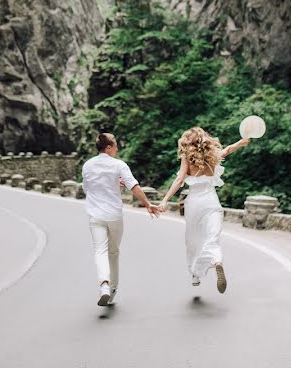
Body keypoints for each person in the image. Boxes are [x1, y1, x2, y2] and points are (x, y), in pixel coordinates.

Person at [158, 127, 249, 293]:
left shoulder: (187, 157)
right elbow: (228, 149)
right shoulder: (212, 154)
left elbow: (179, 180)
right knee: (212, 236)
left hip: (194, 203)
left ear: (187, 141)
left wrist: (165, 200)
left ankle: (195, 274)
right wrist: (241, 143)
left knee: (192, 239)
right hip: (211, 201)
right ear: (204, 139)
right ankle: (217, 261)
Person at [82, 132, 160, 306]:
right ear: (108, 147)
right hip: (114, 216)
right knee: (113, 252)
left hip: (95, 215)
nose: (117, 148)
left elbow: (87, 189)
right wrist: (147, 204)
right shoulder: (119, 165)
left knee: (100, 251)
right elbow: (134, 186)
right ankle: (113, 289)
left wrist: (108, 185)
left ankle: (104, 285)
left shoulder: (87, 165)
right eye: (115, 145)